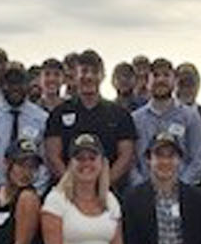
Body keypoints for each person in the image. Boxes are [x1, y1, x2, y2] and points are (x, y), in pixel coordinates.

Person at [44, 50, 136, 189]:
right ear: (75, 75)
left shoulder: (120, 114)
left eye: (94, 72)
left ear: (103, 76)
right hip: (67, 191)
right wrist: (74, 187)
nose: (89, 76)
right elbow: (53, 156)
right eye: (84, 71)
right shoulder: (59, 113)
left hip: (108, 191)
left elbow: (126, 157)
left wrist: (102, 186)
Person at [131, 58, 201, 186]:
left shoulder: (191, 117)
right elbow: (131, 163)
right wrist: (142, 190)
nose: (161, 80)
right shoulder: (135, 119)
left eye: (166, 75)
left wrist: (178, 190)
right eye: (155, 75)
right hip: (144, 195)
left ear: (175, 81)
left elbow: (197, 160)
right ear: (147, 81)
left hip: (183, 193)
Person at [0, 65, 51, 193]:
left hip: (31, 191)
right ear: (2, 85)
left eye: (20, 82)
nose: (15, 88)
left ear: (27, 85)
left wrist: (34, 191)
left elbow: (46, 162)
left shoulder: (42, 119)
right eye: (10, 83)